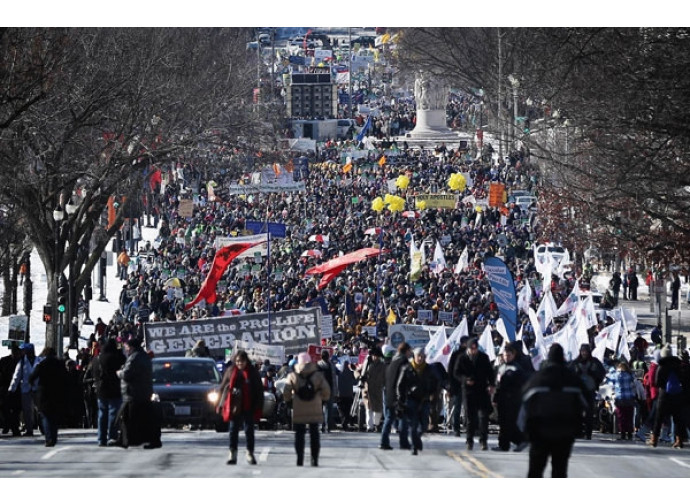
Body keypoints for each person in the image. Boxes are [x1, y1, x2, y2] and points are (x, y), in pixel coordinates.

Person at [520, 343, 587, 478]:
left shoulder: (538, 378)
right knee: (560, 470)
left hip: (539, 431)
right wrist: (579, 426)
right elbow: (586, 403)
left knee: (535, 470)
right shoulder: (572, 379)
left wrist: (523, 431)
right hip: (565, 431)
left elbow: (523, 404)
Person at [282, 352, 331, 466]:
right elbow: (326, 391)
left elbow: (286, 391)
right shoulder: (318, 375)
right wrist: (321, 400)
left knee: (299, 435)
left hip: (299, 407)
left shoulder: (293, 375)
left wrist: (289, 402)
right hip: (314, 407)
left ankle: (300, 458)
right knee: (314, 434)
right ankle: (314, 459)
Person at [115, 336, 161, 449]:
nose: (125, 350)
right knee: (141, 418)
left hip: (134, 393)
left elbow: (127, 374)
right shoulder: (143, 356)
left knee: (125, 418)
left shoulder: (135, 358)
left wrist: (119, 372)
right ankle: (126, 439)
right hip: (141, 392)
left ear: (131, 347)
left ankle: (126, 440)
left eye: (126, 347)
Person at [219, 350, 263, 465]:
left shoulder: (252, 372)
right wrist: (220, 404)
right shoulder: (231, 371)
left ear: (246, 361)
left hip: (249, 405)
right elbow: (223, 388)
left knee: (249, 430)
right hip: (234, 406)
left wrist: (258, 405)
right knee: (233, 430)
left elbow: (259, 390)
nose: (240, 364)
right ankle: (232, 453)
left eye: (242, 361)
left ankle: (249, 453)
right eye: (237, 361)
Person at [454, 337, 495, 450]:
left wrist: (491, 384)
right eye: (471, 349)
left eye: (475, 348)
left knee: (483, 417)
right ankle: (469, 440)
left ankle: (483, 441)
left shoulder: (483, 357)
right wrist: (465, 380)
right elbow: (456, 373)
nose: (473, 351)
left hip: (482, 389)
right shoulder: (462, 358)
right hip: (468, 391)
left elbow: (490, 372)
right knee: (471, 418)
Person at [396, 347, 437, 455]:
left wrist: (430, 393)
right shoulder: (407, 368)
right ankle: (414, 446)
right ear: (414, 356)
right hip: (411, 399)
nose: (419, 358)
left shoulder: (429, 369)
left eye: (422, 356)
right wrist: (401, 399)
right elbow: (400, 385)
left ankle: (417, 439)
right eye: (418, 356)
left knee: (424, 425)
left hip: (424, 400)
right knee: (413, 425)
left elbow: (436, 383)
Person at [87, 338, 126, 446]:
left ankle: (101, 438)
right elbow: (124, 364)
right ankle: (112, 436)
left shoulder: (97, 359)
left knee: (102, 413)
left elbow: (93, 373)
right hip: (115, 388)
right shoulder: (116, 357)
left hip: (101, 389)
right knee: (113, 412)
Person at [492, 342, 529, 452]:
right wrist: (495, 398)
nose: (506, 357)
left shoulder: (516, 368)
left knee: (509, 423)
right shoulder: (501, 368)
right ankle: (505, 444)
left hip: (512, 399)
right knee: (503, 422)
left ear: (513, 355)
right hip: (502, 399)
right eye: (505, 355)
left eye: (509, 355)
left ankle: (519, 440)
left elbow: (519, 384)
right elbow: (498, 385)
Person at [28, 347, 67, 447]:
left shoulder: (42, 364)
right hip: (57, 392)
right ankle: (54, 437)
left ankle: (49, 438)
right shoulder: (60, 364)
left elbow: (32, 377)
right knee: (54, 416)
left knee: (46, 416)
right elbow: (66, 378)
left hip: (44, 392)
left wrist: (33, 385)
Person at [650, 345, 688, 448]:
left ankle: (654, 439)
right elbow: (683, 380)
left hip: (664, 396)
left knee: (659, 418)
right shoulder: (677, 365)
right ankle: (679, 440)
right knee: (678, 419)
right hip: (677, 396)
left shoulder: (661, 366)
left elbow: (657, 382)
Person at [569, 343, 606, 439]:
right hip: (577, 391)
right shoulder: (576, 363)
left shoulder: (594, 362)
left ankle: (588, 433)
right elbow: (568, 373)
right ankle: (578, 432)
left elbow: (602, 373)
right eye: (582, 351)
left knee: (589, 412)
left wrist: (595, 378)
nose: (584, 353)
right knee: (577, 412)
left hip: (590, 390)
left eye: (586, 351)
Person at [379, 342, 412, 450]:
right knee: (403, 418)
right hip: (399, 395)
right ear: (406, 351)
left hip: (389, 394)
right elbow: (403, 381)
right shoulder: (403, 362)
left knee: (389, 418)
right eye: (409, 351)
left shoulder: (393, 362)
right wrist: (402, 396)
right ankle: (403, 442)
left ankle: (383, 441)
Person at [8, 342, 40, 436]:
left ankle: (43, 427)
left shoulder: (39, 361)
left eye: (23, 350)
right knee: (27, 410)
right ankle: (29, 429)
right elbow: (16, 377)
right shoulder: (22, 362)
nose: (22, 352)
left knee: (40, 409)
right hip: (26, 389)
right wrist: (11, 389)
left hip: (37, 389)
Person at [354, 347, 385, 432]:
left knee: (378, 409)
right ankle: (369, 427)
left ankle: (376, 425)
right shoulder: (366, 363)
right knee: (368, 409)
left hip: (377, 389)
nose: (375, 357)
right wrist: (359, 377)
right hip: (367, 389)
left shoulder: (383, 365)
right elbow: (356, 371)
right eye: (374, 355)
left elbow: (385, 377)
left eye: (377, 356)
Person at [609, 360, 637, 440]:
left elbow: (610, 385)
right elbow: (634, 384)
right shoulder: (630, 375)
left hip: (620, 398)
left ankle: (623, 433)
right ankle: (630, 433)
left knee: (621, 417)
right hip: (629, 398)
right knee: (629, 416)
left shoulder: (615, 375)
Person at [0, 343, 21, 436]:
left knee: (16, 409)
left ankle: (13, 427)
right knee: (6, 408)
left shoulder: (20, 361)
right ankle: (8, 425)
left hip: (17, 388)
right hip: (5, 387)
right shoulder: (4, 361)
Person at [317, 350, 337, 433]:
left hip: (327, 390)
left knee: (327, 409)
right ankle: (324, 425)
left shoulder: (330, 365)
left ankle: (325, 426)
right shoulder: (319, 365)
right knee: (325, 409)